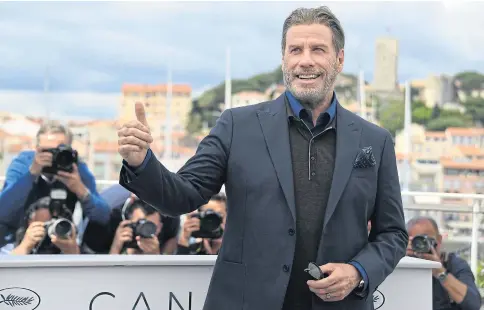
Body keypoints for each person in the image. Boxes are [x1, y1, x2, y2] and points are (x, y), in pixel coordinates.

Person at [117, 6, 408, 310]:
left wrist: (358, 272)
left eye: (318, 49)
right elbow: (182, 195)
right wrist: (141, 162)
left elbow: (394, 233)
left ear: (339, 60)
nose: (305, 60)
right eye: (295, 49)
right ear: (284, 59)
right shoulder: (236, 126)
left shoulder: (376, 141)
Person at [0, 122, 110, 247]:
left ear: (70, 150)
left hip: (60, 239)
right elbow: (2, 212)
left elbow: (103, 217)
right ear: (36, 149)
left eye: (59, 151)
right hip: (18, 241)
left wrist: (81, 190)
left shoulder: (77, 169)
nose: (52, 157)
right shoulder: (23, 165)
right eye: (47, 151)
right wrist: (31, 175)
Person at [406, 216, 481, 310]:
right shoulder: (404, 265)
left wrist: (440, 272)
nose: (421, 245)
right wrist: (400, 257)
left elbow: (473, 304)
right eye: (415, 241)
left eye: (425, 239)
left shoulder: (454, 264)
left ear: (439, 240)